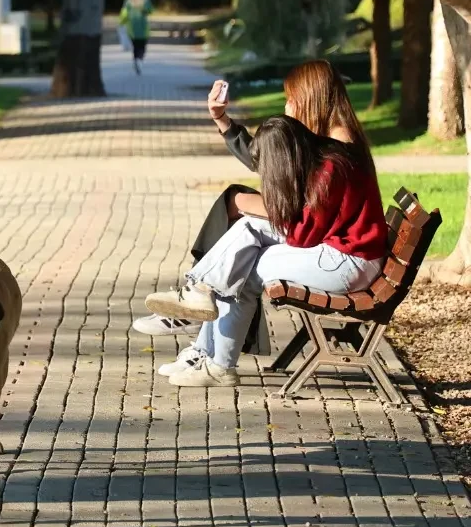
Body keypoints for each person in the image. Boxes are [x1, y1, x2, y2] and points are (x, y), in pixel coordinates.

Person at [132, 59, 373, 350]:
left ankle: (200, 303)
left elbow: (305, 228)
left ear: (311, 99)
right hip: (337, 248)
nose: (287, 109)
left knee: (240, 248)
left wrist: (253, 205)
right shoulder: (329, 142)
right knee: (235, 209)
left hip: (342, 258)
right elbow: (274, 167)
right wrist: (223, 120)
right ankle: (199, 300)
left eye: (290, 101)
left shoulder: (336, 155)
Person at [144, 114, 388, 387]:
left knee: (242, 268)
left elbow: (302, 236)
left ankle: (218, 365)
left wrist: (257, 204)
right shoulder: (324, 157)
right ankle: (199, 295)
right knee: (247, 229)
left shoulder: (329, 172)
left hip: (347, 263)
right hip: (345, 254)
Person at [119, 0, 154, 75]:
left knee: (135, 46)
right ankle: (139, 59)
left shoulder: (128, 2)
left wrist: (121, 23)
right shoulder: (145, 1)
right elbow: (151, 11)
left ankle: (135, 60)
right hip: (143, 29)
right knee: (142, 46)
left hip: (132, 29)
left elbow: (124, 14)